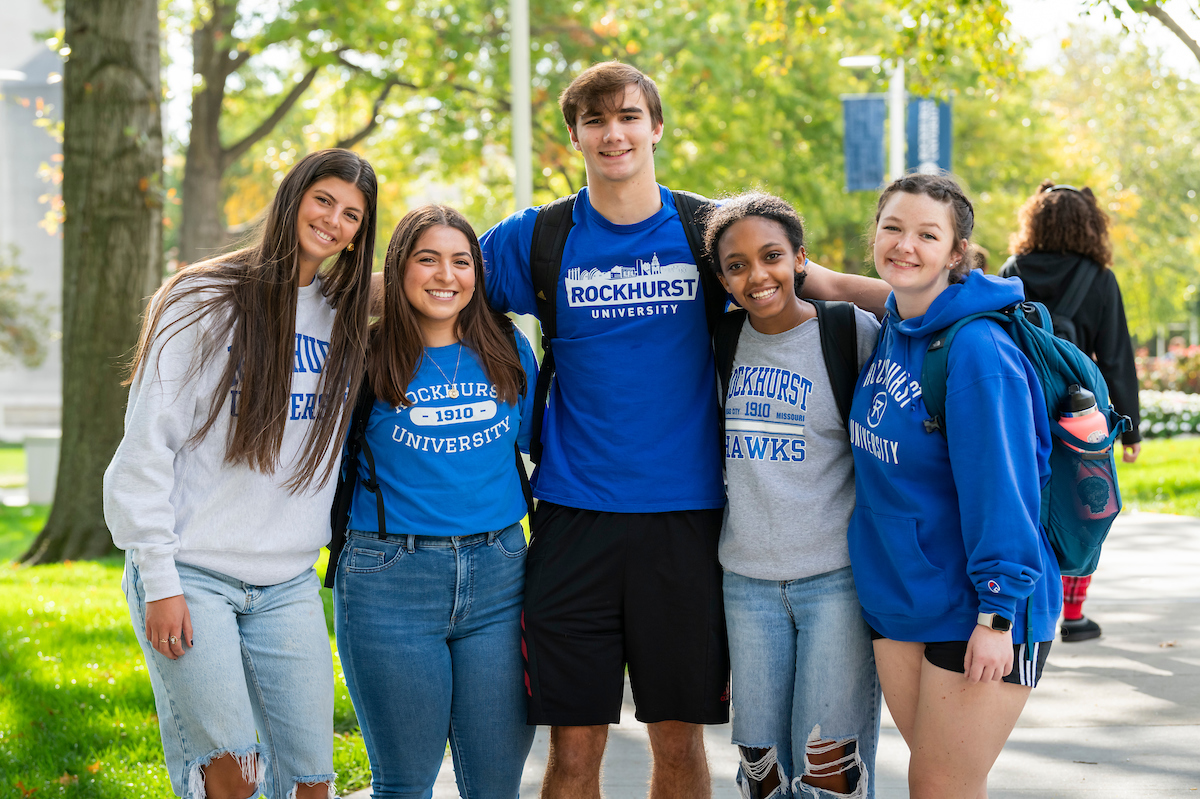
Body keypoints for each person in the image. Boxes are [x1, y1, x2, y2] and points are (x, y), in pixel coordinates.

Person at [480, 60, 889, 798]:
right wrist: (292, 278)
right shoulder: (537, 237)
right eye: (596, 120)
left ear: (656, 127)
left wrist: (951, 304)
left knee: (678, 742)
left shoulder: (709, 232)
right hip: (574, 516)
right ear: (574, 134)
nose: (614, 133)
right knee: (572, 751)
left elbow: (813, 280)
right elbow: (424, 281)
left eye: (629, 116)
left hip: (689, 523)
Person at [104, 148, 377, 799]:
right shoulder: (202, 295)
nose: (334, 221)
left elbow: (439, 273)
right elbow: (146, 445)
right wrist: (159, 577)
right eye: (324, 200)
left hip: (287, 582)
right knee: (234, 779)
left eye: (352, 216)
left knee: (313, 782)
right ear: (293, 196)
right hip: (191, 572)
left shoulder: (346, 314)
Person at [847, 173, 1062, 798]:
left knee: (940, 786)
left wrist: (997, 615)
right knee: (943, 783)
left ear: (956, 252)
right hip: (901, 598)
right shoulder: (893, 322)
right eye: (892, 228)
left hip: (981, 607)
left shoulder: (977, 352)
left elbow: (1005, 491)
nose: (905, 245)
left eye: (927, 234)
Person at [331, 205, 539, 798]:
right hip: (389, 580)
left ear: (477, 273)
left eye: (460, 260)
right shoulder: (361, 357)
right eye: (427, 259)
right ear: (397, 271)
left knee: (497, 786)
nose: (446, 275)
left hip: (501, 576)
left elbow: (543, 452)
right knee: (403, 785)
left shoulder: (509, 350)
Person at [703, 193, 882, 798]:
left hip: (836, 578)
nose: (757, 275)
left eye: (772, 255)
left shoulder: (848, 332)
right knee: (763, 770)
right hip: (746, 581)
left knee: (830, 768)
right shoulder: (720, 343)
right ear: (722, 278)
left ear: (800, 258)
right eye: (736, 265)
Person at [1001, 180, 1143, 643]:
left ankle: (1028, 607)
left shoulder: (1014, 269)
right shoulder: (1099, 278)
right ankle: (1075, 615)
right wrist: (1131, 431)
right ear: (1090, 224)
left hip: (1019, 410)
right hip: (1081, 416)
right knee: (1086, 508)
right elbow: (1117, 356)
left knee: (1028, 507)